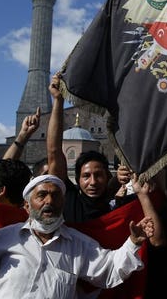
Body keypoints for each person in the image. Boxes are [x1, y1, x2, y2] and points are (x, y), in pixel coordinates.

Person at [0, 174, 154, 298]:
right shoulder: (3, 239)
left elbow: (109, 269)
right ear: (27, 205)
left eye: (55, 196)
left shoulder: (78, 244)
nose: (49, 202)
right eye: (41, 195)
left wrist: (133, 242)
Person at [47, 73, 114, 222]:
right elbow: (54, 151)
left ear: (108, 177)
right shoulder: (70, 201)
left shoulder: (117, 207)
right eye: (86, 176)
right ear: (77, 179)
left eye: (98, 175)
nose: (93, 182)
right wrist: (58, 100)